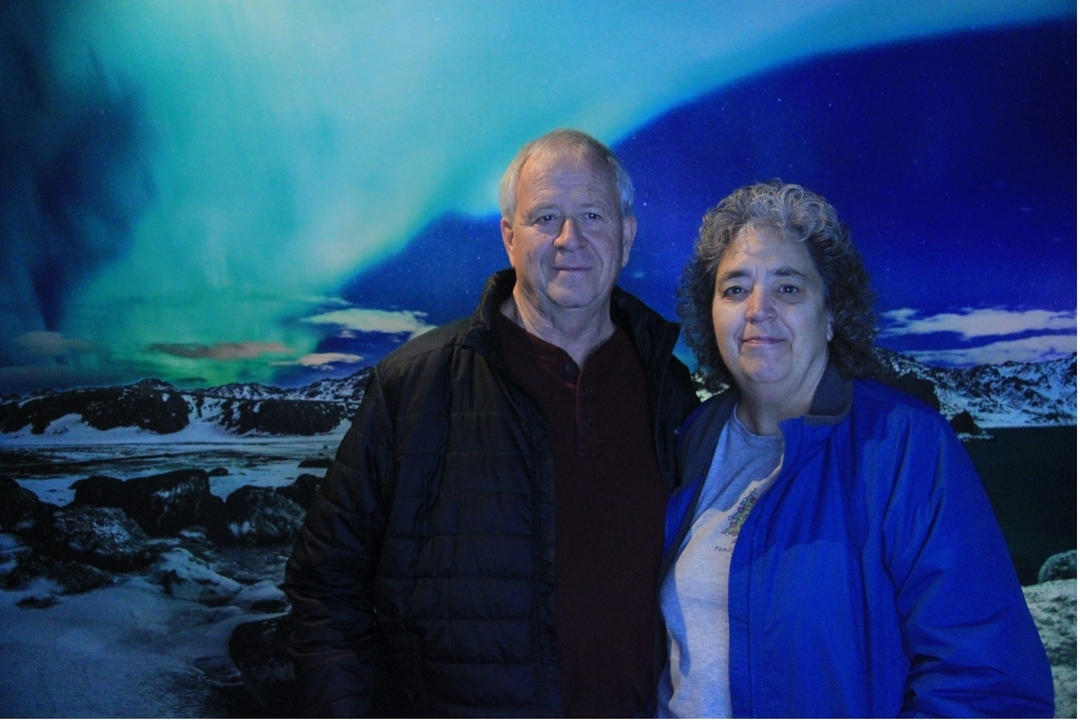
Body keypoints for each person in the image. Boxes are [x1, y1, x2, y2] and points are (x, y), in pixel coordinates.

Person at [284, 129, 699, 717]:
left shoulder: (671, 393)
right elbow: (325, 588)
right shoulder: (414, 387)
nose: (569, 239)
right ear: (509, 237)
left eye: (592, 215)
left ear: (626, 235)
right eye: (545, 217)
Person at [657, 180, 1055, 717]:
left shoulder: (905, 447)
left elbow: (987, 685)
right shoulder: (694, 437)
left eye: (789, 288)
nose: (758, 309)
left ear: (831, 315)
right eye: (734, 289)